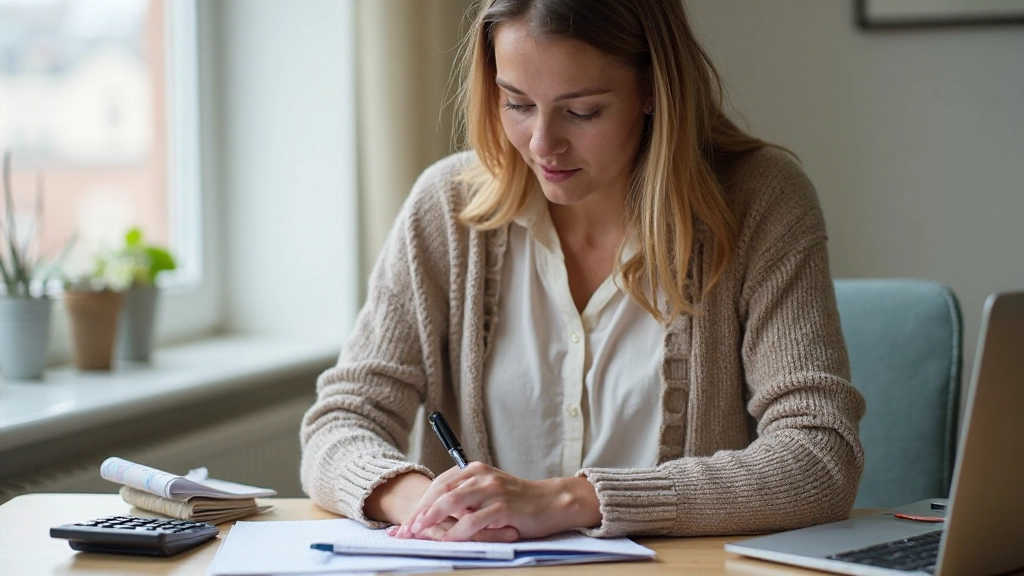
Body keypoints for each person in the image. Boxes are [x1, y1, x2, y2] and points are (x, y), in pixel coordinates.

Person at [300, 0, 865, 543]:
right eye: (517, 103)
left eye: (582, 111)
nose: (543, 144)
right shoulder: (446, 208)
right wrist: (431, 504)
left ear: (652, 89)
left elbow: (818, 456)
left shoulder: (762, 201)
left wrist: (567, 502)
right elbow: (341, 421)